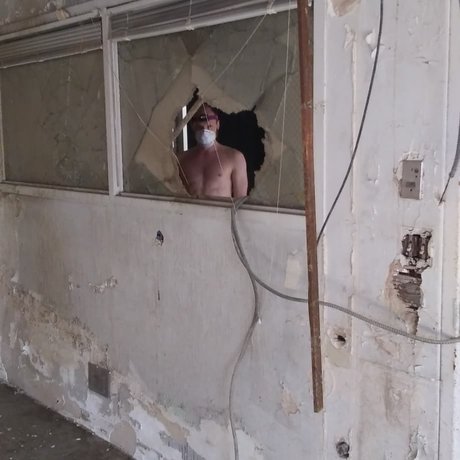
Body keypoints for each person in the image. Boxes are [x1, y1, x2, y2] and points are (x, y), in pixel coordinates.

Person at [178, 103, 248, 199]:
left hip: (221, 209)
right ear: (192, 126)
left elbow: (241, 199)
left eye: (209, 126)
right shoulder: (181, 159)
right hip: (189, 209)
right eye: (200, 127)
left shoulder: (235, 157)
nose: (204, 129)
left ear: (217, 124)